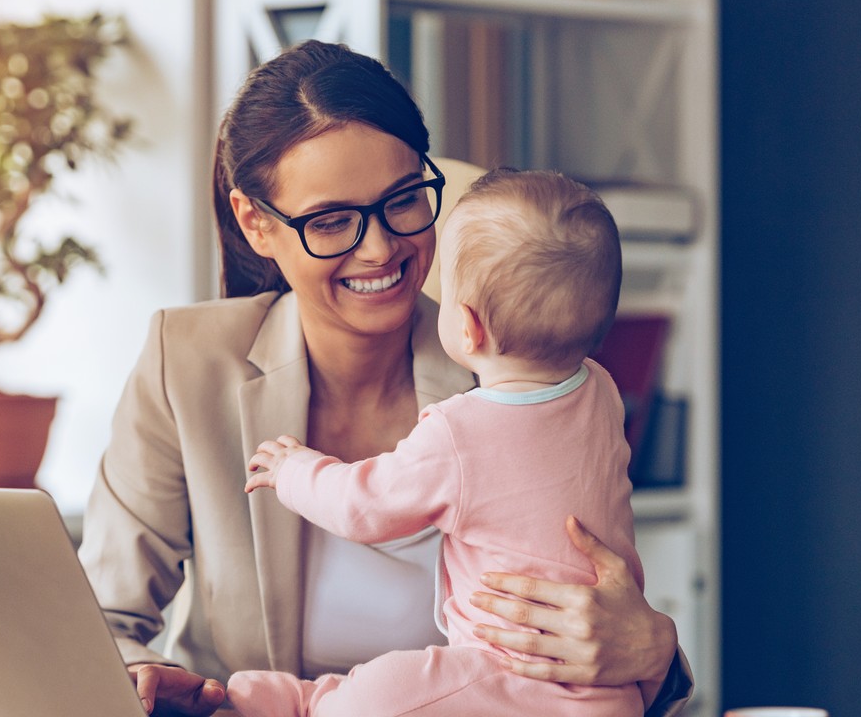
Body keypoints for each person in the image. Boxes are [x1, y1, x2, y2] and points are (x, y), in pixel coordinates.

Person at [76, 39, 691, 717]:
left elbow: (601, 621)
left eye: (402, 201)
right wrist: (146, 681)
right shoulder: (185, 362)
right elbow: (100, 620)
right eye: (332, 221)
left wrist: (654, 649)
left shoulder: (519, 372)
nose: (381, 248)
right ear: (256, 223)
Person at [227, 168, 643, 717]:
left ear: (467, 328)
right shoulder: (602, 393)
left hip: (507, 674)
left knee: (387, 689)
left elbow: (363, 506)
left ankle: (310, 706)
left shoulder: (459, 432)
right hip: (613, 691)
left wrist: (295, 469)